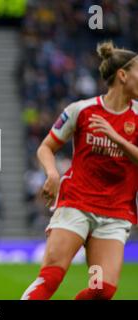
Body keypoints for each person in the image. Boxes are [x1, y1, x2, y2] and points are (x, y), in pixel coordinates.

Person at [21, 41, 138, 300]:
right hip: (76, 204)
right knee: (50, 277)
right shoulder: (81, 111)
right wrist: (52, 173)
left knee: (101, 290)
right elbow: (46, 147)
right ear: (123, 75)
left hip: (115, 212)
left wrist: (117, 138)